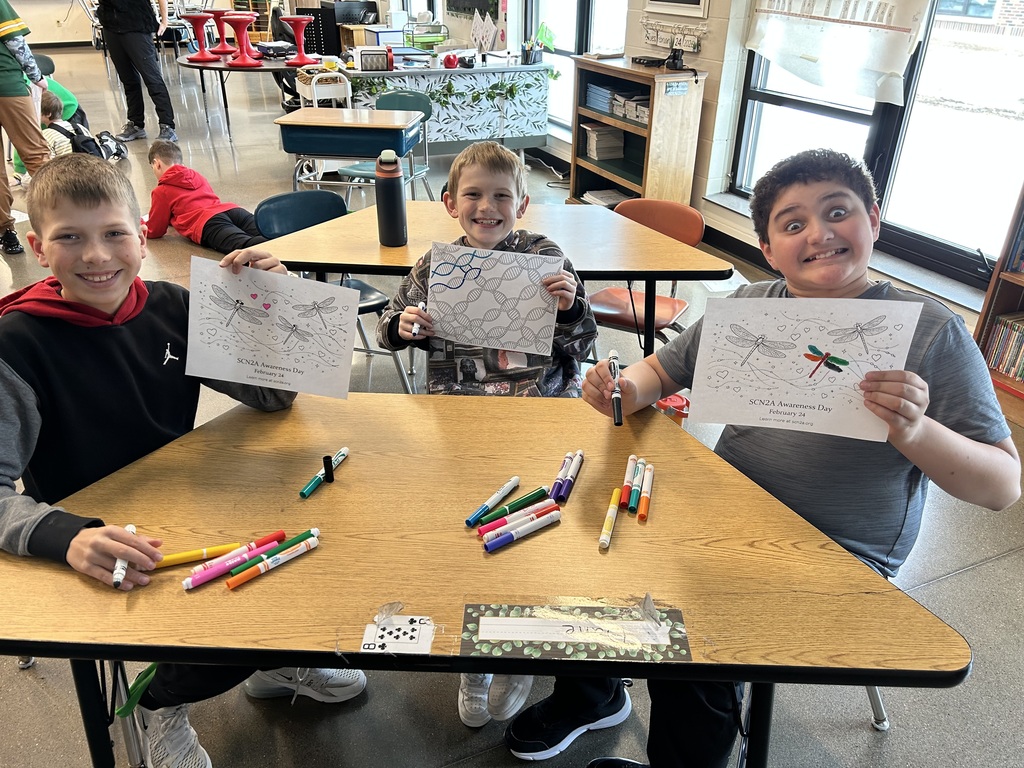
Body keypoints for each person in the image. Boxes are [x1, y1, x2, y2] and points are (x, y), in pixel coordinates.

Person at [505, 148, 1023, 768]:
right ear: (769, 248)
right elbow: (660, 371)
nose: (820, 233)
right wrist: (622, 388)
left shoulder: (930, 331)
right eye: (793, 223)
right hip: (727, 515)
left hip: (837, 551)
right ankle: (593, 695)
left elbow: (1001, 486)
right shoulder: (752, 307)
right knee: (593, 542)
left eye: (838, 212)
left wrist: (914, 430)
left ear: (874, 221)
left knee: (695, 638)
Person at [0, 154, 366, 768]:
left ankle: (273, 663)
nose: (96, 256)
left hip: (189, 498)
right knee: (219, 631)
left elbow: (273, 399)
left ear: (142, 237)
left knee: (306, 564)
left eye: (114, 233)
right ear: (38, 248)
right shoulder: (17, 344)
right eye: (70, 238)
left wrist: (271, 303)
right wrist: (66, 536)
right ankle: (156, 700)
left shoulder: (174, 306)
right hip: (105, 531)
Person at [375, 140, 599, 726]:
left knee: (533, 533)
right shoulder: (436, 266)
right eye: (473, 194)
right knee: (470, 534)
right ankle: (477, 654)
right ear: (450, 203)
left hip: (539, 420)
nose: (487, 207)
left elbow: (584, 343)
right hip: (459, 424)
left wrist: (570, 310)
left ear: (521, 204)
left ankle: (519, 643)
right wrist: (405, 326)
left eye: (502, 196)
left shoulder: (547, 258)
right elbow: (387, 328)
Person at [146, 139, 269, 254]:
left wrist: (140, 224)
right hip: (232, 210)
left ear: (157, 164)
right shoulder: (196, 175)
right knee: (272, 234)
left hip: (208, 222)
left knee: (248, 248)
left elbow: (154, 230)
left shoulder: (161, 190)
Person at [0, 0, 50, 254]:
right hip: (7, 85)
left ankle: (5, 232)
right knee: (37, 156)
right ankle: (58, 222)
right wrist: (36, 76)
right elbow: (15, 42)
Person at [97, 0, 177, 143]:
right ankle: (136, 124)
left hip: (137, 25)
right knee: (128, 80)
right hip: (111, 26)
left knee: (152, 78)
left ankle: (167, 126)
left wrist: (165, 20)